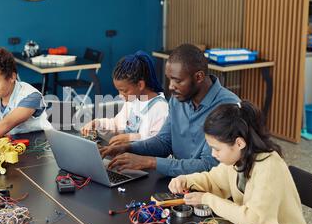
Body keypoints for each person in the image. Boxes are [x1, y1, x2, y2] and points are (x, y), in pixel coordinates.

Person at [169, 101, 309, 224]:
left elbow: (255, 219)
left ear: (239, 143)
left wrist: (207, 199)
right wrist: (185, 180)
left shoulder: (269, 166)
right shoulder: (239, 157)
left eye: (217, 149)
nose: (213, 154)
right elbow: (214, 181)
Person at [100, 44, 240, 177]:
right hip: (179, 180)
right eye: (169, 79)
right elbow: (164, 142)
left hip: (209, 189)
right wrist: (128, 148)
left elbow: (208, 166)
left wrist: (150, 162)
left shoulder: (228, 106)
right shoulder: (178, 99)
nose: (171, 87)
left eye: (177, 81)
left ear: (199, 77)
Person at [81, 51, 168, 146]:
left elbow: (159, 144)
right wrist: (98, 124)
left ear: (140, 85)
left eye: (124, 91)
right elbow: (117, 125)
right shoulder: (132, 100)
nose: (120, 95)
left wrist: (129, 138)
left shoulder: (161, 108)